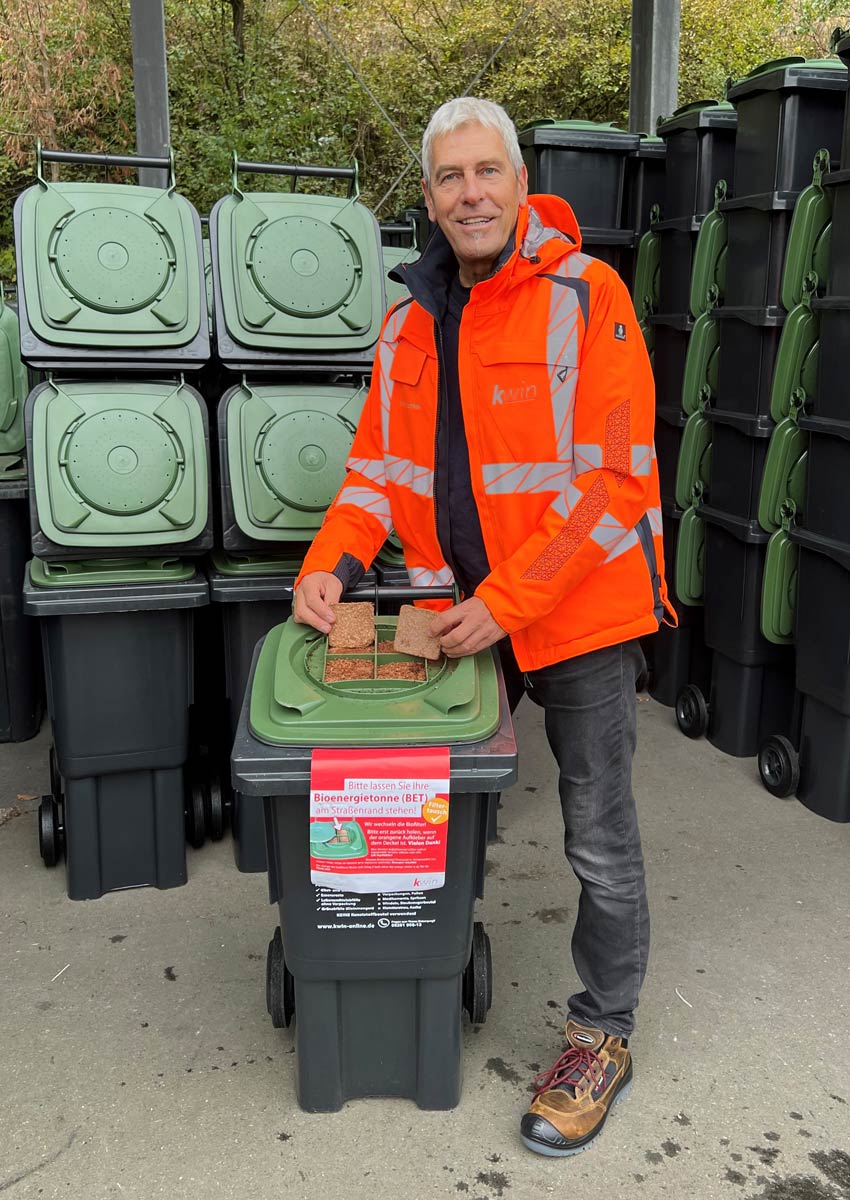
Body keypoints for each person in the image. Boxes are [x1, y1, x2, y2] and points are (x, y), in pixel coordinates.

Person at [293, 95, 672, 1156]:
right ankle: (419, 960)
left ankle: (604, 1030)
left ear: (519, 181)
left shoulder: (587, 297)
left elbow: (612, 488)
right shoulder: (406, 323)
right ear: (428, 197)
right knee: (420, 795)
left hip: (574, 610)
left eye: (487, 172)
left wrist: (502, 605)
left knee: (597, 836)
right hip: (448, 607)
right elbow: (376, 472)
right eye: (449, 177)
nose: (469, 193)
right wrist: (329, 563)